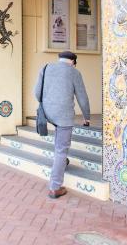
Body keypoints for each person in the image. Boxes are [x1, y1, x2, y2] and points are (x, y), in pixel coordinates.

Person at [34, 51, 90, 199]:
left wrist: (49, 103)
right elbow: (82, 98)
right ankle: (55, 187)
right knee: (61, 149)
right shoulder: (74, 73)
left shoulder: (45, 68)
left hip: (47, 112)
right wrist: (87, 117)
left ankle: (62, 162)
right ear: (73, 62)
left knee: (59, 145)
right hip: (64, 116)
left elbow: (36, 92)